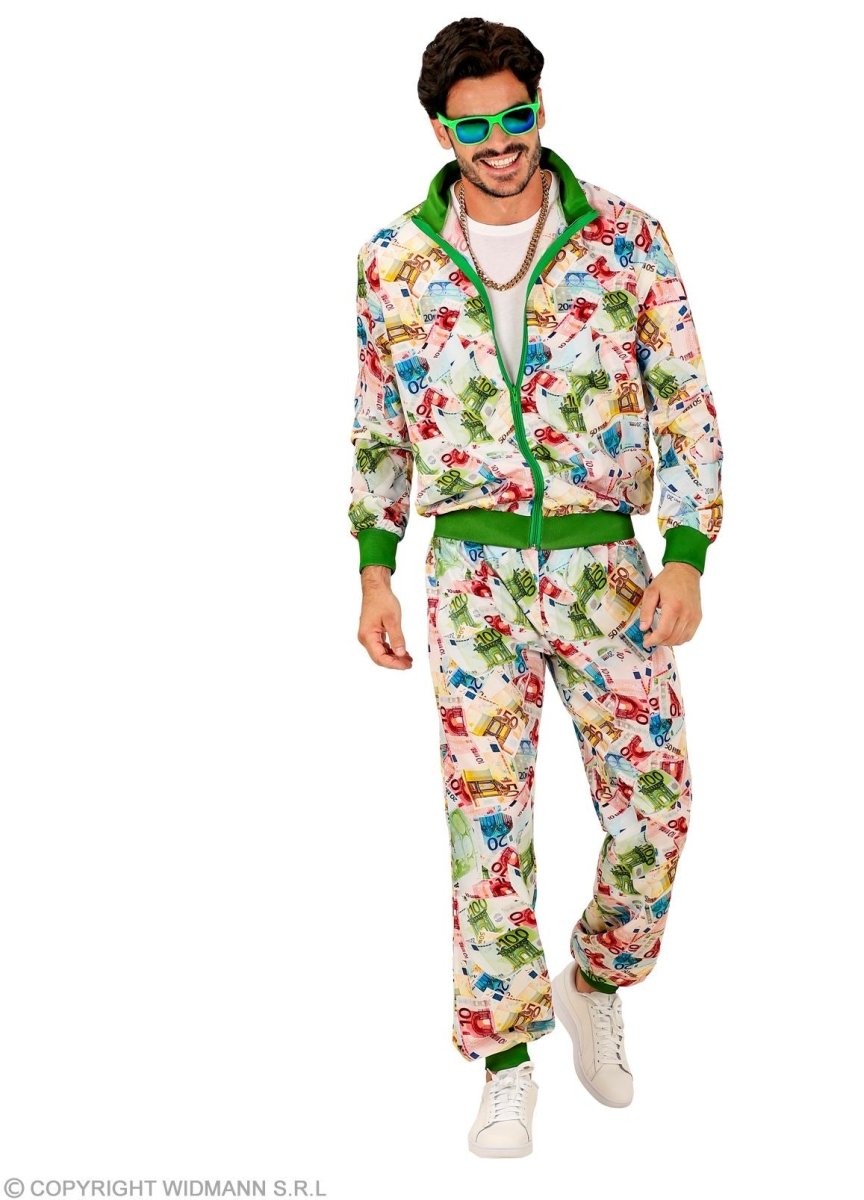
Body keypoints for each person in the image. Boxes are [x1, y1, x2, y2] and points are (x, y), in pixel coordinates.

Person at [349, 17, 723, 1158]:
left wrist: (685, 552)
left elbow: (685, 399)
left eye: (516, 116)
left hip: (606, 567)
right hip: (469, 577)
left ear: (540, 110)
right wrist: (374, 568)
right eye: (475, 126)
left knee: (656, 806)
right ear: (440, 132)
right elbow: (377, 424)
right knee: (488, 826)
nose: (500, 142)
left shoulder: (624, 237)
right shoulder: (393, 259)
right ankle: (505, 1060)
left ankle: (595, 976)